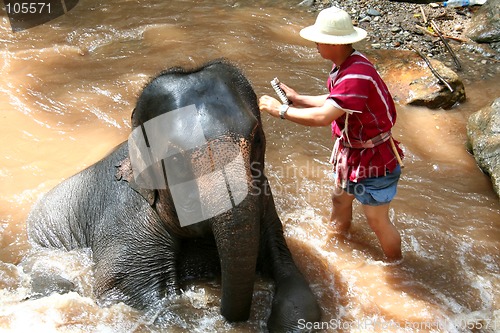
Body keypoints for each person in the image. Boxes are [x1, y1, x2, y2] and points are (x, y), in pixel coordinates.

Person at [258, 6, 404, 261]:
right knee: (340, 201)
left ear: (333, 44)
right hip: (354, 155)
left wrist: (279, 109)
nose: (315, 44)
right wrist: (298, 98)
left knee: (376, 220)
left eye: (319, 39)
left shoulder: (355, 75)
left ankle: (397, 265)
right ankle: (337, 246)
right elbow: (336, 100)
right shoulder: (348, 64)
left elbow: (322, 117)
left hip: (375, 159)